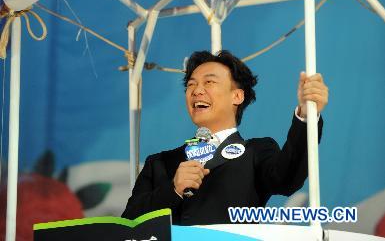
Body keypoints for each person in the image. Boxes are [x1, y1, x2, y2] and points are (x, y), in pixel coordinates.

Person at [122, 50, 328, 225]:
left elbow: (287, 178)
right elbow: (129, 223)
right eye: (191, 85)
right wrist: (173, 190)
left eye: (209, 82)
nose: (197, 91)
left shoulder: (255, 152)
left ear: (237, 96)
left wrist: (306, 115)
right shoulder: (159, 163)